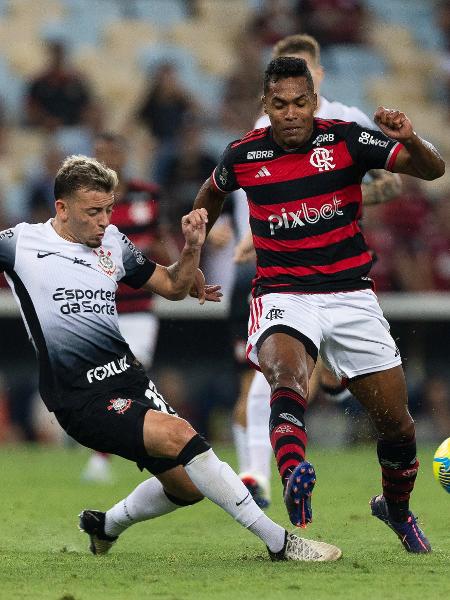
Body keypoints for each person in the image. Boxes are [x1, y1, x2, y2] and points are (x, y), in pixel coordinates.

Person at [0, 154, 342, 562]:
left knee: (189, 486)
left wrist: (192, 249)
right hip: (78, 397)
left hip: (129, 379)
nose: (105, 221)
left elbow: (173, 285)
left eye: (109, 209)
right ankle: (280, 543)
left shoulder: (112, 243)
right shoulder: (20, 243)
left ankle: (104, 525)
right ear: (62, 208)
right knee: (182, 437)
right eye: (93, 212)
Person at [193, 56, 445, 553]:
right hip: (282, 294)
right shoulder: (243, 154)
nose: (290, 113)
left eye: (300, 103)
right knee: (287, 376)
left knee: (397, 425)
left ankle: (395, 508)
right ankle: (292, 475)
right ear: (266, 105)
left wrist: (410, 139)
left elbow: (433, 171)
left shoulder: (347, 138)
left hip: (351, 295)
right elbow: (212, 190)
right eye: (280, 104)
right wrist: (199, 239)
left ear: (313, 102)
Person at [230, 33, 402, 508]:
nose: (289, 98)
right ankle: (257, 476)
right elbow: (251, 189)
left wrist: (329, 200)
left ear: (318, 76)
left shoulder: (348, 121)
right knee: (266, 374)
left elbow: (389, 185)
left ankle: (332, 375)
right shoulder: (262, 125)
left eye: (302, 75)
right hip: (271, 265)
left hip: (338, 270)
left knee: (316, 376)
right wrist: (238, 233)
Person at [80, 132, 178, 482]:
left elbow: (163, 243)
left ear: (123, 157)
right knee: (103, 381)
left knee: (131, 376)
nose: (106, 161)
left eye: (112, 154)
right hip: (98, 306)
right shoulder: (81, 205)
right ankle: (142, 449)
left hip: (138, 306)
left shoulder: (147, 196)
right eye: (99, 155)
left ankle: (111, 456)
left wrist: (178, 270)